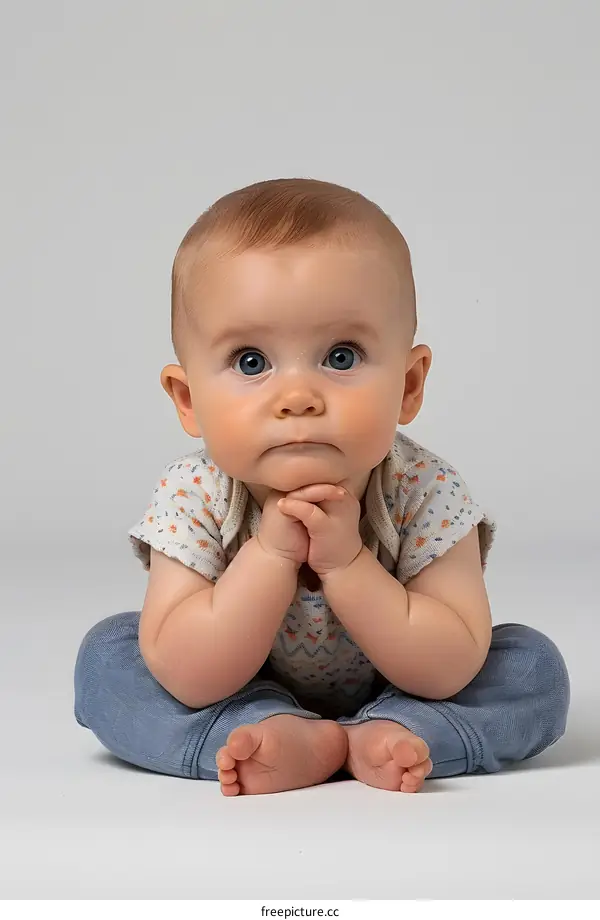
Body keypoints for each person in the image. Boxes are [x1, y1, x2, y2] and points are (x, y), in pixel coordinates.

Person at [74, 178, 569, 795]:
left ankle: (390, 732)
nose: (299, 398)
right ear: (188, 399)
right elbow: (191, 676)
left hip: (406, 688)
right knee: (110, 659)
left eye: (341, 356)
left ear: (410, 384)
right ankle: (272, 728)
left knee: (531, 669)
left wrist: (349, 564)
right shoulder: (194, 493)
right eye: (251, 362)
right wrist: (270, 556)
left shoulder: (423, 488)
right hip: (231, 689)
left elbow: (448, 666)